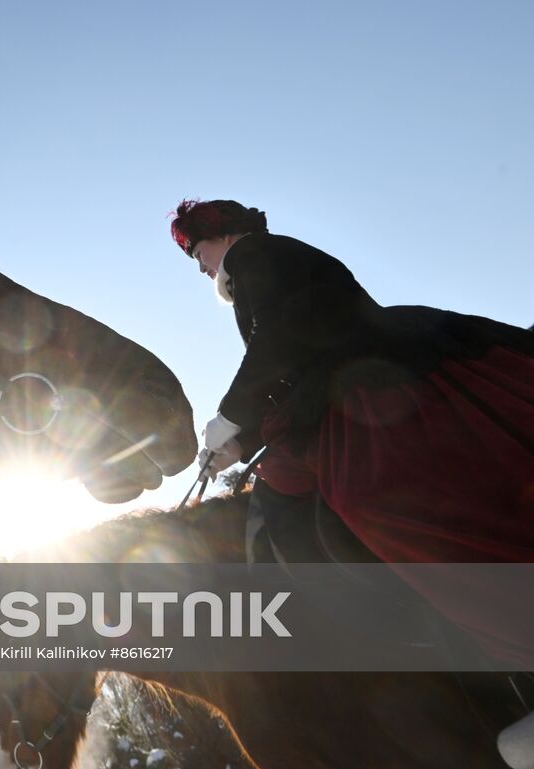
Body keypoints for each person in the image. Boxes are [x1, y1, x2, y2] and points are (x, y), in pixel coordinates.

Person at [170, 199, 534, 643]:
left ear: (222, 234)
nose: (199, 266)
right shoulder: (264, 259)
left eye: (195, 251)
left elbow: (281, 338)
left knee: (364, 495)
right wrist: (237, 441)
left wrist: (229, 417)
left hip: (367, 379)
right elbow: (286, 362)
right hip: (338, 381)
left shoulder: (250, 256)